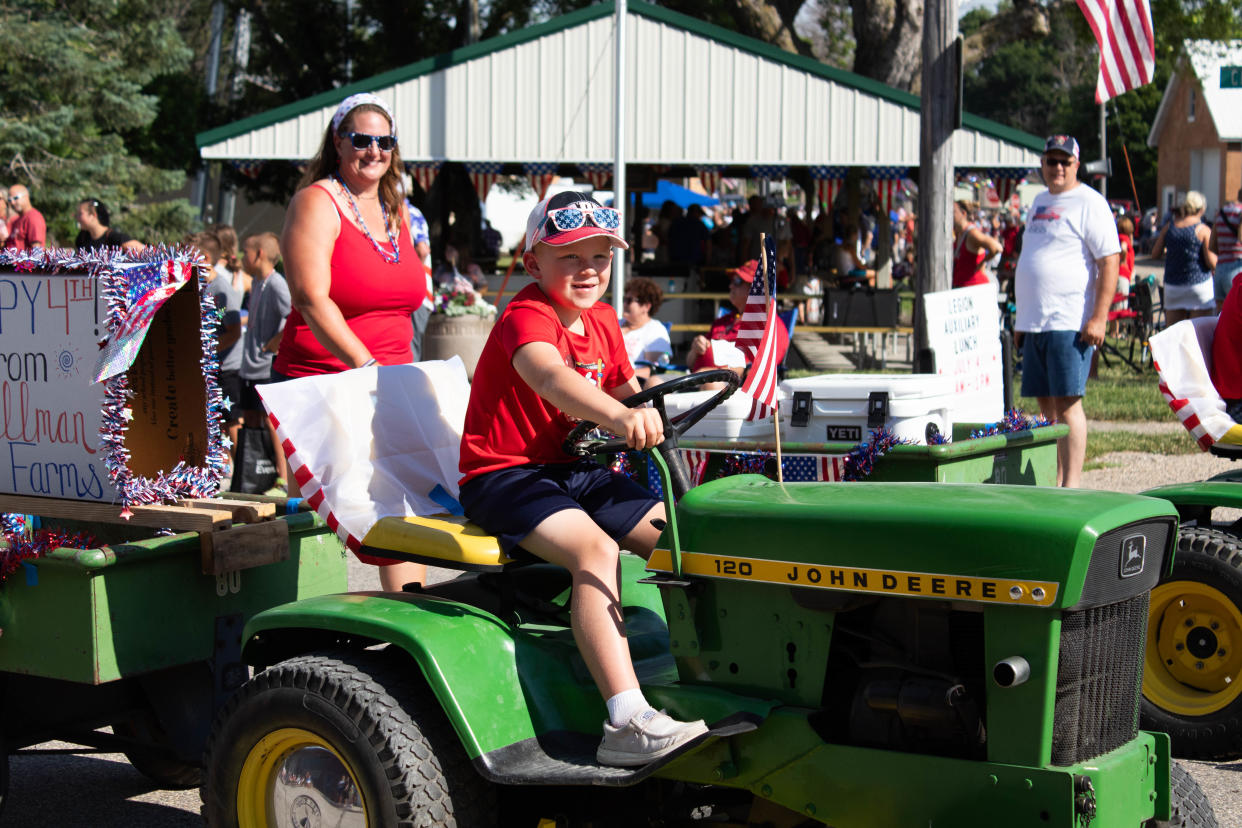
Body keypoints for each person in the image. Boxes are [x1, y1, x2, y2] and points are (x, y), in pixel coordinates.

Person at [458, 190, 708, 767]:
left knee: (683, 534)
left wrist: (661, 403)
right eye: (570, 257)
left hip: (574, 469)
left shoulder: (601, 320)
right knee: (596, 551)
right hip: (505, 474)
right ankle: (625, 719)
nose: (588, 269)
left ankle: (717, 676)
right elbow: (549, 376)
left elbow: (628, 391)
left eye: (600, 256)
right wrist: (619, 417)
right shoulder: (526, 317)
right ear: (533, 263)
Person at [276, 92, 428, 591]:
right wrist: (366, 366)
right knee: (338, 517)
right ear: (339, 144)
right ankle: (307, 643)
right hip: (325, 380)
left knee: (404, 509)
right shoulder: (317, 201)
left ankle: (411, 617)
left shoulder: (396, 208)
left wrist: (393, 378)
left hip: (391, 381)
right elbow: (310, 297)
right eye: (361, 139)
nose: (374, 150)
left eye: (385, 141)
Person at [1014, 134, 1120, 489]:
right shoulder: (1038, 201)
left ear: (1077, 165)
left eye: (1065, 162)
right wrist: (1021, 320)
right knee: (1045, 407)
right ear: (1042, 165)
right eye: (1052, 161)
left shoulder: (1090, 202)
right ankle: (1054, 478)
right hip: (1035, 322)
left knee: (1068, 403)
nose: (1058, 168)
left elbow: (1109, 261)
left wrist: (1099, 317)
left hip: (1070, 321)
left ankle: (1072, 483)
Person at [239, 232, 291, 488]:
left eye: (245, 251)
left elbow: (293, 315)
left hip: (265, 365)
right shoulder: (257, 283)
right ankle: (256, 473)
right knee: (250, 418)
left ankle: (282, 476)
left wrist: (274, 343)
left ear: (259, 254)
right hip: (249, 365)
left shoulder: (277, 284)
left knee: (272, 422)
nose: (241, 256)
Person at [687, 259, 789, 376]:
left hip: (731, 388)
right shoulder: (723, 321)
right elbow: (690, 363)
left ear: (754, 289)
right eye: (732, 280)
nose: (730, 286)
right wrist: (695, 348)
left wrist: (713, 375)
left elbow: (762, 371)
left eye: (737, 281)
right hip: (697, 381)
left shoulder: (770, 324)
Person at [194, 231, 245, 457]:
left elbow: (233, 332)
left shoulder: (221, 290)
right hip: (213, 366)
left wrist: (208, 351)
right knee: (216, 419)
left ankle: (240, 474)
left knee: (231, 419)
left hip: (227, 369)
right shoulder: (201, 286)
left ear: (204, 257)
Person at [1152, 190, 1216, 325]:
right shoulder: (1202, 229)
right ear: (1201, 209)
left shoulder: (1170, 227)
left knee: (1175, 335)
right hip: (1198, 285)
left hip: (1173, 286)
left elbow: (1155, 253)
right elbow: (1211, 262)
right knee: (1199, 334)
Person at [620, 277, 671, 383]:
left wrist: (619, 376)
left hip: (635, 383)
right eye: (624, 299)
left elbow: (654, 370)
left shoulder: (655, 330)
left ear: (646, 306)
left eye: (629, 301)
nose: (624, 304)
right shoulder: (615, 323)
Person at [406, 199, 435, 360]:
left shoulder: (409, 212)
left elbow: (422, 250)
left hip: (415, 292)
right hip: (416, 291)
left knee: (411, 350)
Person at [952, 199, 1002, 288]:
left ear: (963, 213)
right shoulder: (959, 232)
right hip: (963, 288)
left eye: (953, 212)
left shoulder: (972, 233)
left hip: (975, 287)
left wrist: (982, 263)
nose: (950, 215)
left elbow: (997, 247)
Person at [1209, 188, 1242, 311]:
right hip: (1237, 268)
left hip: (1220, 268)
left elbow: (1212, 244)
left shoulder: (1221, 212)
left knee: (1220, 316)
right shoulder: (1240, 212)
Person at [74, 199, 143, 253]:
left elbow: (145, 253)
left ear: (93, 215)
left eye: (80, 214)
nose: (76, 217)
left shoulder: (116, 238)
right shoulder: (82, 238)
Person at [5, 184, 45, 250]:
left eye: (15, 198)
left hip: (26, 260)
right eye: (9, 200)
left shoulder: (33, 217)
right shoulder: (16, 219)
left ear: (26, 196)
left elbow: (37, 250)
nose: (12, 202)